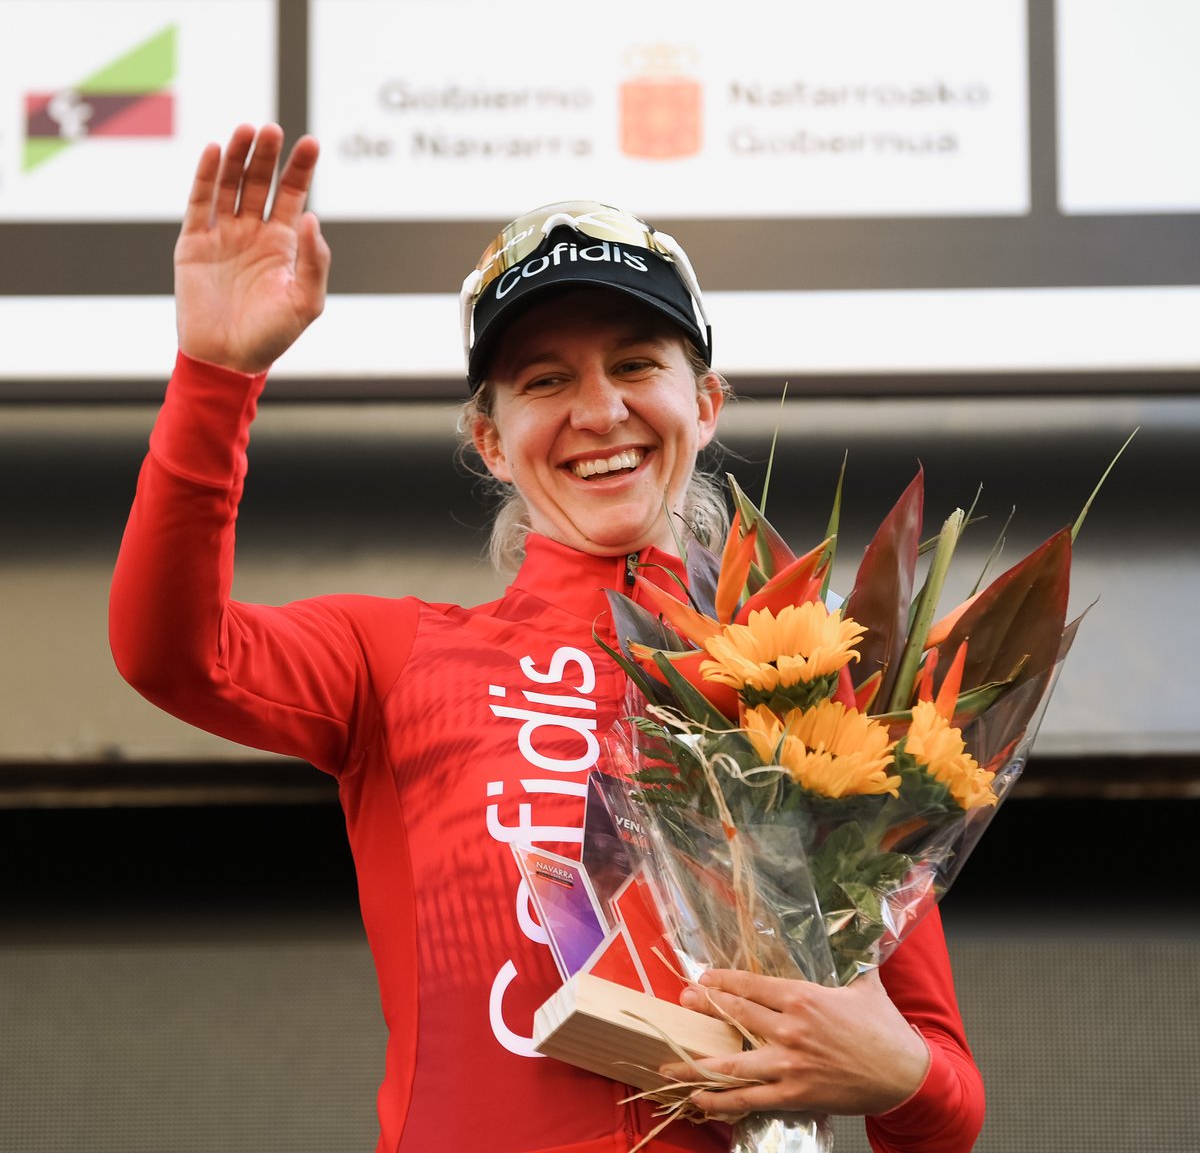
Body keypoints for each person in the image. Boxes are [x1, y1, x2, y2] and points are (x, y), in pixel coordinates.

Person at [109, 123, 986, 1153]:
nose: (599, 410)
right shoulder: (391, 659)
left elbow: (946, 1099)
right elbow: (168, 652)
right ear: (491, 438)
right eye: (545, 381)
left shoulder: (818, 699)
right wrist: (215, 376)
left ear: (704, 405)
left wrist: (899, 1076)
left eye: (634, 365)